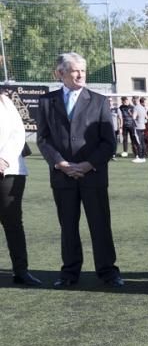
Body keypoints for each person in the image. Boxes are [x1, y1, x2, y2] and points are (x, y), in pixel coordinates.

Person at [35, 52, 123, 289]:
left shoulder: (99, 101)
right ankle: (69, 273)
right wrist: (61, 163)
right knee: (68, 226)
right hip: (62, 177)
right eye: (75, 70)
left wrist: (87, 164)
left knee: (100, 225)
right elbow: (43, 139)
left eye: (83, 69)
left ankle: (108, 272)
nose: (81, 74)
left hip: (92, 175)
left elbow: (108, 143)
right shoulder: (46, 102)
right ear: (60, 73)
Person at [0, 91, 40, 285]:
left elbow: (18, 134)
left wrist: (4, 159)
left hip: (9, 171)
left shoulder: (6, 101)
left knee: (13, 222)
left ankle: (21, 270)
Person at [132, 97, 148, 162]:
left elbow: (134, 117)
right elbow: (147, 117)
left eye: (133, 100)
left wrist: (131, 115)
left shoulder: (136, 107)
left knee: (138, 142)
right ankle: (143, 157)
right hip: (143, 127)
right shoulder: (143, 107)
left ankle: (140, 157)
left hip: (137, 127)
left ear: (135, 100)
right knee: (142, 142)